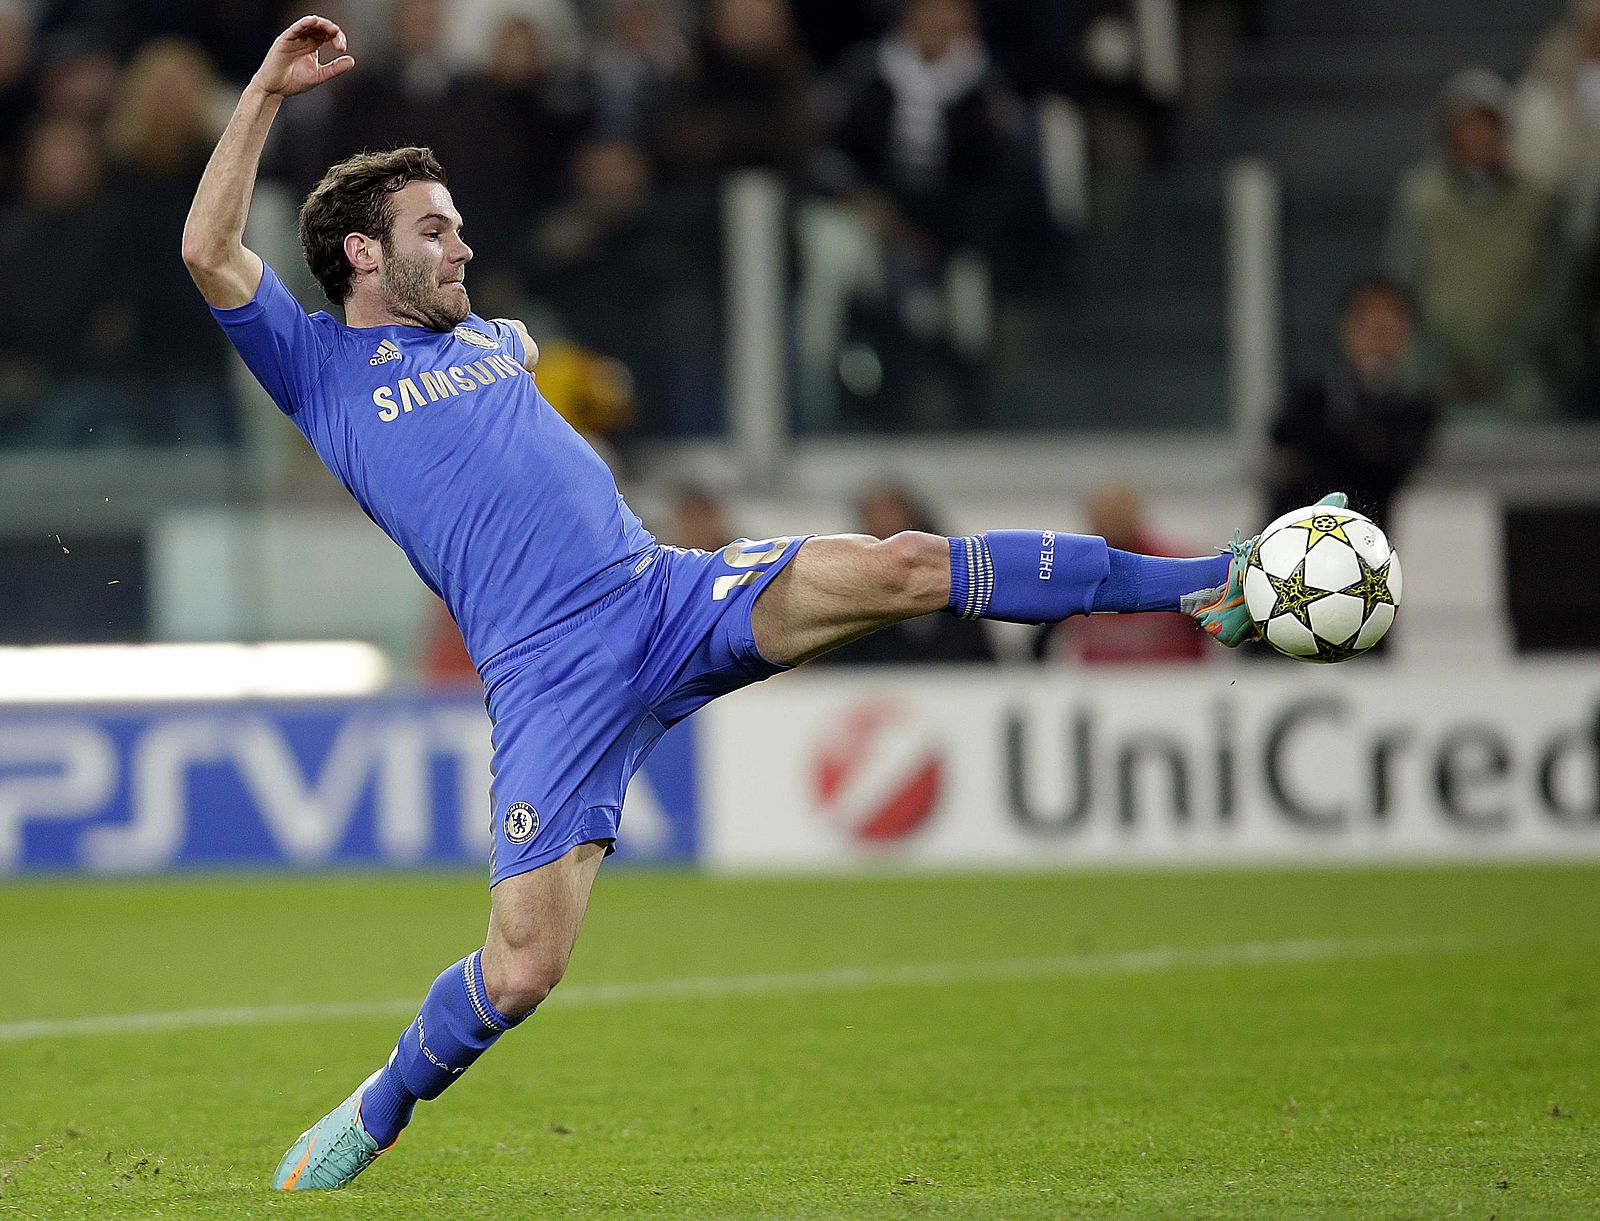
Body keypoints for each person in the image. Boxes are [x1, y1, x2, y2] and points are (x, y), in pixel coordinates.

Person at [182, 16, 1314, 1192]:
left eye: (461, 223)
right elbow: (207, 244)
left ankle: (1215, 586)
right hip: (547, 678)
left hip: (660, 593)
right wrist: (265, 89)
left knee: (904, 566)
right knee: (521, 972)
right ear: (363, 256)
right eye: (436, 229)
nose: (464, 245)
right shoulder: (319, 371)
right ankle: (381, 1104)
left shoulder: (498, 338)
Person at [1385, 68, 1559, 419]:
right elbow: (1402, 279)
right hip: (1438, 362)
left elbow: (1553, 285)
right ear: (1449, 132)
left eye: (1489, 125)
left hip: (1518, 362)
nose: (1478, 137)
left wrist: (1515, 349)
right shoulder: (1421, 196)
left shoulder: (1538, 200)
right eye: (1468, 126)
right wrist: (1434, 353)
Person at [1265, 276, 1437, 530]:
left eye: (1387, 329)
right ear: (1346, 327)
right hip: (1290, 542)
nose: (1377, 338)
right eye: (1368, 325)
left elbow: (1387, 467)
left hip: (1362, 547)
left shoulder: (1414, 412)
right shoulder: (1310, 396)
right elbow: (1285, 442)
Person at [1032, 484, 1207, 666]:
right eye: (1106, 517)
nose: (1113, 524)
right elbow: (1038, 646)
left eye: (1118, 516)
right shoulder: (1072, 576)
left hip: (1173, 683)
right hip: (1103, 686)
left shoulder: (1178, 570)